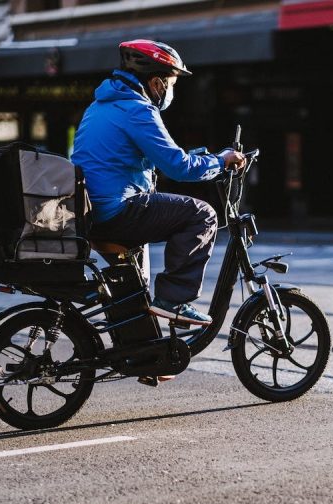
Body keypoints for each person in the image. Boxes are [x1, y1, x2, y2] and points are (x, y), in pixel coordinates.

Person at [71, 39, 246, 326]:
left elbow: (155, 158)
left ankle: (145, 359)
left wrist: (203, 159)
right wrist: (221, 160)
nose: (171, 91)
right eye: (172, 83)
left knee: (133, 291)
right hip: (118, 211)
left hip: (93, 213)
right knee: (201, 214)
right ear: (156, 83)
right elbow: (178, 167)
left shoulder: (101, 106)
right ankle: (175, 300)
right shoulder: (138, 109)